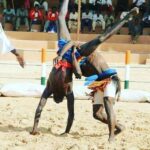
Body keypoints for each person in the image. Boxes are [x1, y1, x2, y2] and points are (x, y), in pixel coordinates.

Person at [30, 0, 138, 138]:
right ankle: (118, 126)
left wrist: (62, 54)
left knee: (100, 38)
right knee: (97, 114)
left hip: (82, 58)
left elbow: (71, 43)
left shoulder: (62, 86)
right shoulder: (65, 85)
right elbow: (78, 76)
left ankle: (126, 17)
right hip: (84, 65)